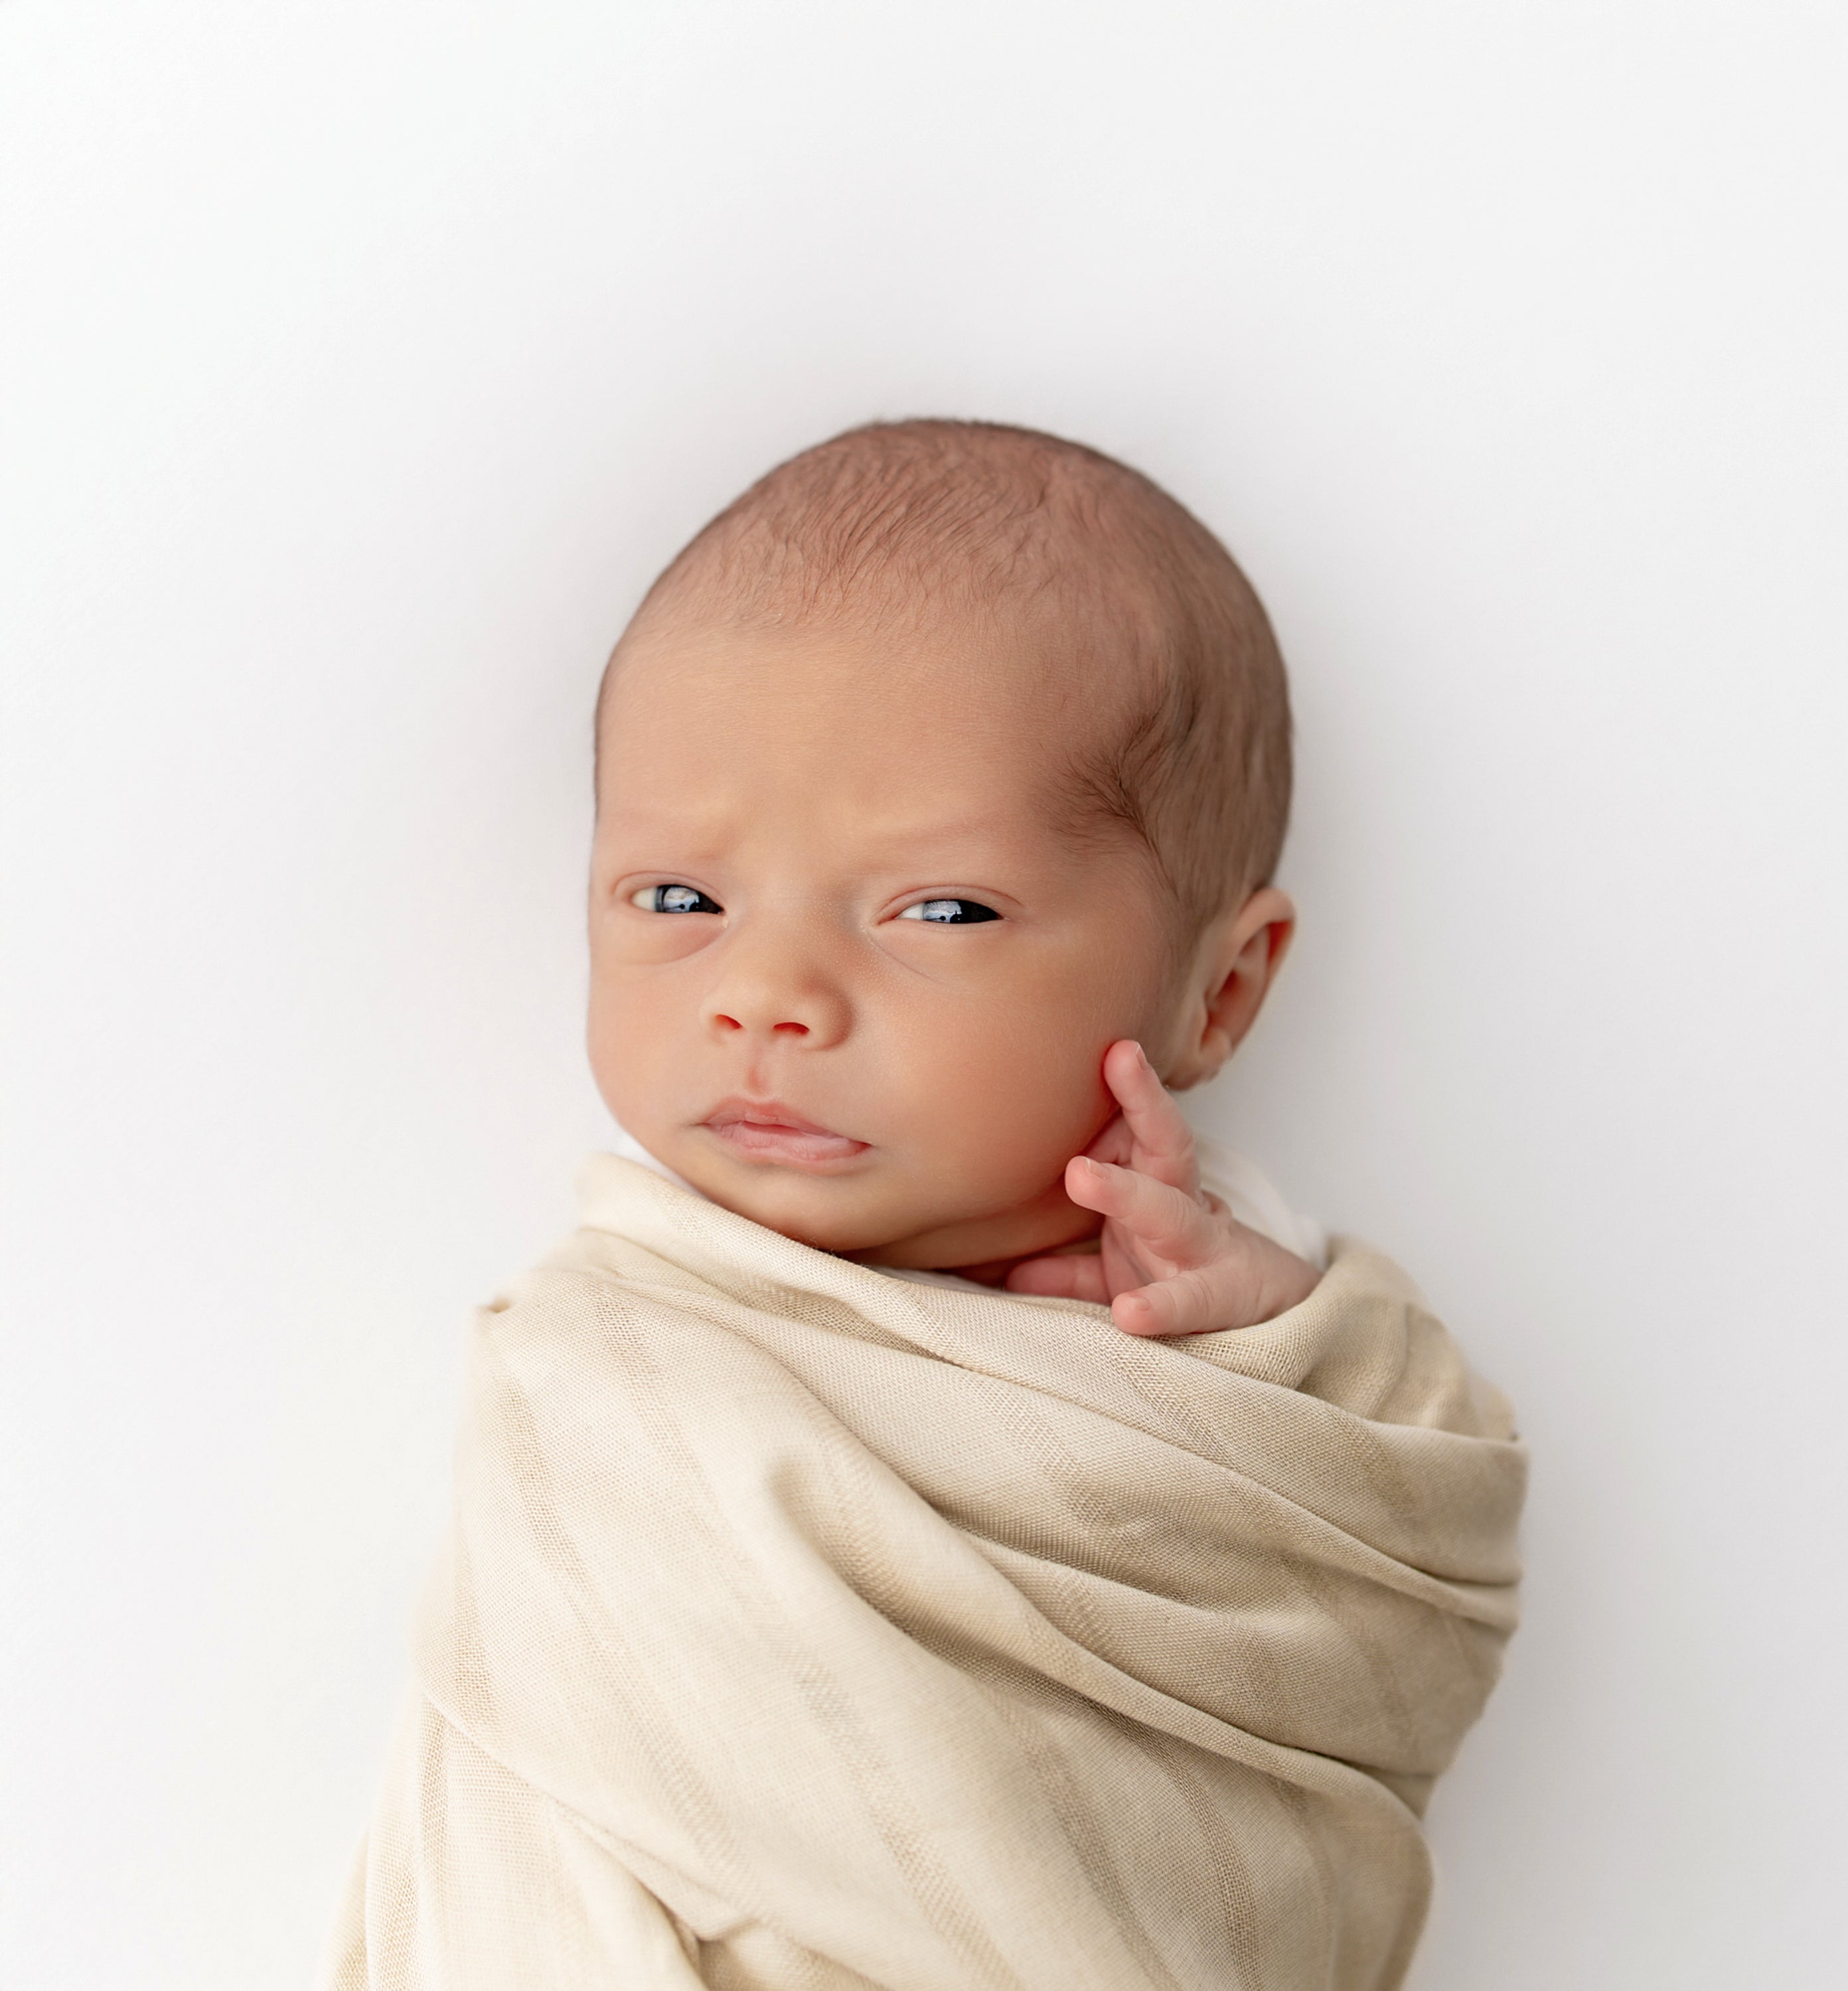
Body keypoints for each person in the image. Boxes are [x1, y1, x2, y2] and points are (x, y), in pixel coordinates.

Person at [321, 419, 1526, 1990]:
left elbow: (1416, 1544)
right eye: (681, 898)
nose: (767, 993)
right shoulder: (606, 1375)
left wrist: (1280, 1334)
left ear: (1220, 992)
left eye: (940, 910)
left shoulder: (1253, 1364)